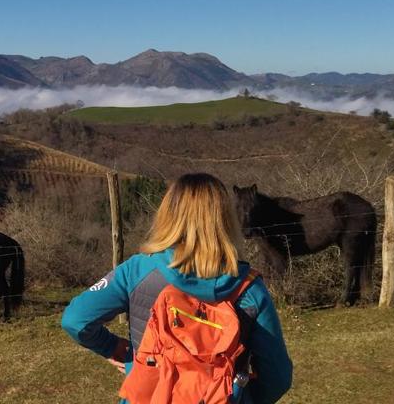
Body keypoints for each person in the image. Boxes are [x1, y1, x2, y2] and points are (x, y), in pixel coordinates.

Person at [61, 173, 292, 404]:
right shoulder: (249, 288)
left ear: (168, 215)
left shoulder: (139, 269)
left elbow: (76, 319)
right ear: (225, 220)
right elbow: (278, 378)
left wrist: (112, 346)